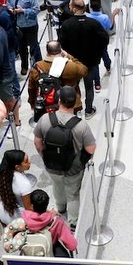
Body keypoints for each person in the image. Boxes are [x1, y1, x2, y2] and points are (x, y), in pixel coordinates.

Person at [33, 87, 96, 229]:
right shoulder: (81, 125)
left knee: (57, 186)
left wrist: (45, 156)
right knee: (73, 194)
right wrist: (81, 162)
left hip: (52, 165)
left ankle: (61, 208)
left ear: (59, 100)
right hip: (73, 168)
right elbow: (90, 149)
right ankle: (73, 224)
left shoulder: (44, 119)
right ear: (74, 103)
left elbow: (37, 143)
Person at [59, 0, 110, 115]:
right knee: (89, 87)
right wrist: (97, 51)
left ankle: (74, 110)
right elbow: (104, 39)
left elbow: (61, 44)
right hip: (90, 62)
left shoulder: (66, 25)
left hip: (72, 63)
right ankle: (88, 110)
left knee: (72, 87)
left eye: (71, 6)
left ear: (74, 9)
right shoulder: (94, 24)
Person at [28, 41, 88, 114]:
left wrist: (32, 103)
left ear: (47, 51)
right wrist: (69, 56)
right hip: (71, 105)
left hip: (48, 106)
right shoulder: (70, 66)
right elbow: (84, 70)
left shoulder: (38, 67)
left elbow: (31, 88)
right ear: (60, 50)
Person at [20, 189, 79, 256]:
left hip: (29, 248)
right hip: (50, 246)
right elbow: (72, 245)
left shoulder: (24, 218)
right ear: (47, 204)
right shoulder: (56, 221)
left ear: (32, 205)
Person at [8, 0, 42, 75]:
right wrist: (10, 9)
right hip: (18, 24)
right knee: (22, 47)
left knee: (34, 46)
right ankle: (24, 66)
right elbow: (8, 2)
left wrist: (23, 11)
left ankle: (39, 65)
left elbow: (36, 10)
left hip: (30, 25)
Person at [0, 150, 34, 225]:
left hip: (3, 213)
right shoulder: (24, 184)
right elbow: (29, 209)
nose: (29, 161)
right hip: (17, 219)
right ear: (17, 167)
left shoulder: (3, 173)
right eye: (26, 161)